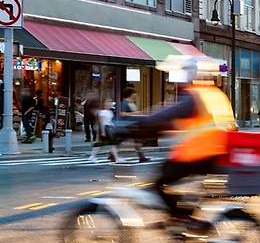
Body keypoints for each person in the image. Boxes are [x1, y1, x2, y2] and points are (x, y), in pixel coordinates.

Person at [121, 56, 236, 226]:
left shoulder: (192, 97)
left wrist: (135, 123)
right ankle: (183, 215)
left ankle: (181, 218)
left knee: (158, 183)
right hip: (215, 152)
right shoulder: (214, 94)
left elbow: (163, 115)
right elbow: (176, 122)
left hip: (196, 154)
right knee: (173, 183)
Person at [118, 87, 149, 163]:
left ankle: (141, 156)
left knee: (134, 140)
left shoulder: (132, 102)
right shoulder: (124, 103)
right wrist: (134, 113)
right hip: (127, 125)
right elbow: (122, 113)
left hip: (133, 125)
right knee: (126, 140)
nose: (135, 94)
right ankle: (141, 156)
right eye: (134, 93)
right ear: (130, 94)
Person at [89, 99, 123, 163]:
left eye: (110, 103)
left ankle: (92, 156)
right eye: (108, 103)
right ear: (105, 104)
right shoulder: (103, 112)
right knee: (103, 144)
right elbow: (102, 122)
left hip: (109, 128)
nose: (109, 104)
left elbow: (110, 121)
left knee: (110, 144)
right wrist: (103, 131)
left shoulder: (110, 112)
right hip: (105, 128)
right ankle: (92, 156)